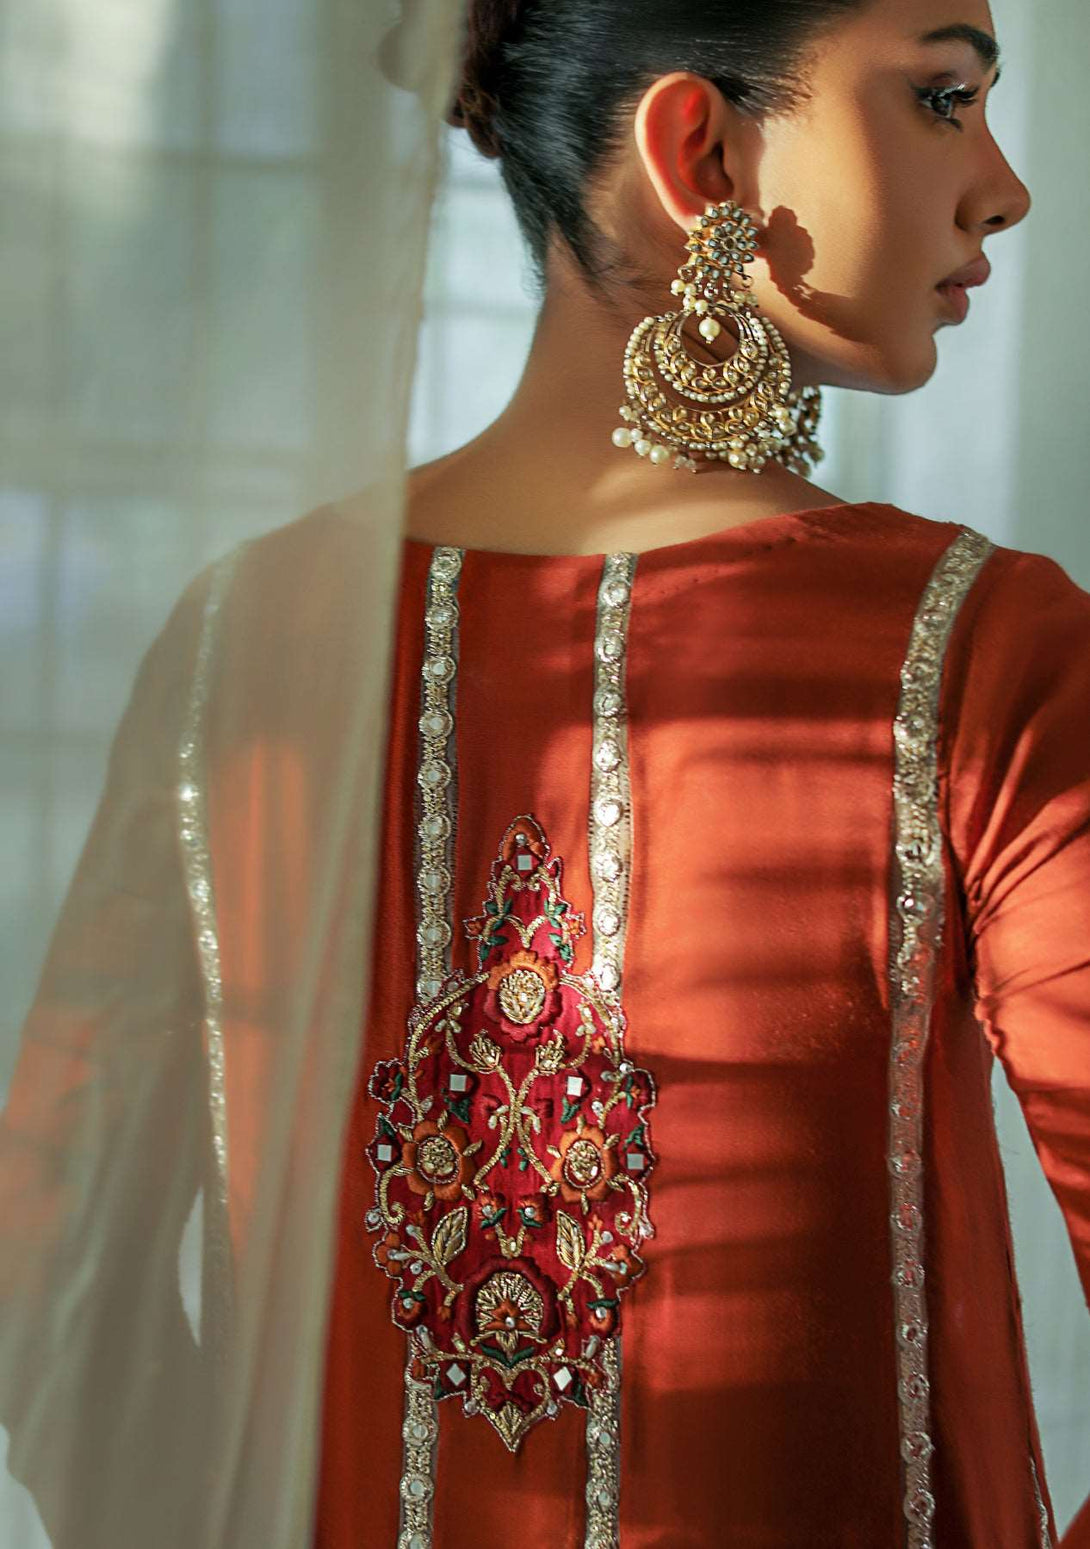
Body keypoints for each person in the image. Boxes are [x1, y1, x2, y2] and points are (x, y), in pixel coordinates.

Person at [1, 3, 1086, 1549]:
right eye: (938, 96)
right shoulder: (975, 650)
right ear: (695, 152)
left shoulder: (247, 639)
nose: (998, 184)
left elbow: (56, 1269)